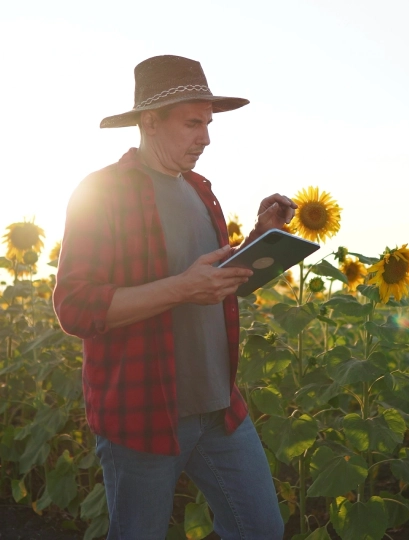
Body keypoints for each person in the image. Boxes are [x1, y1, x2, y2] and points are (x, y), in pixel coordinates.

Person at [53, 55, 296, 540]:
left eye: (207, 123)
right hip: (143, 414)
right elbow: (75, 307)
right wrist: (181, 288)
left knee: (262, 530)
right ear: (149, 121)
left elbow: (213, 281)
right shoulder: (103, 192)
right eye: (192, 123)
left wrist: (258, 239)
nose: (205, 137)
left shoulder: (200, 189)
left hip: (219, 409)